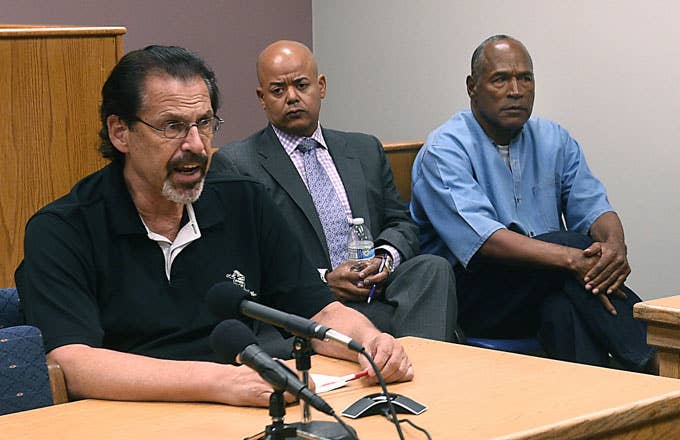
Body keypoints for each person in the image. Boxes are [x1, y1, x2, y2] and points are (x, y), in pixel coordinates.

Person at [16, 45, 413, 408]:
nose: (196, 145)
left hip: (243, 404)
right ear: (121, 132)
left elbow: (320, 311)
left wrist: (369, 342)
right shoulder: (63, 228)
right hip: (129, 412)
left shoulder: (243, 200)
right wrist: (220, 382)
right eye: (172, 126)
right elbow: (71, 360)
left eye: (204, 124)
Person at [410, 35, 656, 372]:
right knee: (570, 248)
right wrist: (572, 259)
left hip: (547, 285)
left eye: (525, 78)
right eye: (501, 79)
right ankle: (658, 360)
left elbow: (594, 207)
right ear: (472, 86)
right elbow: (486, 242)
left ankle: (602, 410)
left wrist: (614, 247)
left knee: (563, 310)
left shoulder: (554, 138)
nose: (516, 90)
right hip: (476, 297)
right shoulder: (444, 150)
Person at [211, 40, 459, 348]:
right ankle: (402, 365)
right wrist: (322, 279)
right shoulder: (238, 163)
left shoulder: (365, 148)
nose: (292, 97)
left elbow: (401, 222)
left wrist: (383, 259)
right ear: (262, 98)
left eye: (301, 85)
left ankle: (420, 372)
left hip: (377, 291)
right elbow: (244, 260)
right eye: (278, 90)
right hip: (305, 307)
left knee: (433, 268)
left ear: (321, 86)